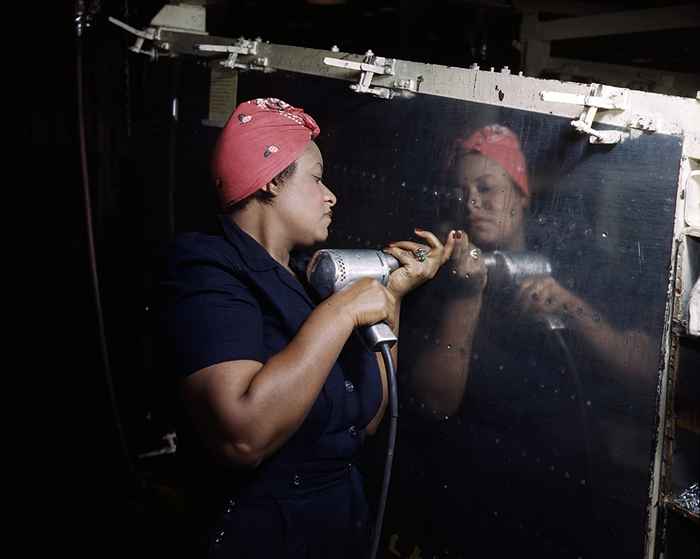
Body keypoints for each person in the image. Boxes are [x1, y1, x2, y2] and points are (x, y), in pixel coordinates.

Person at [157, 97, 456, 558]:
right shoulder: (207, 269)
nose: (331, 195)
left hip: (337, 523)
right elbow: (242, 436)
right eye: (316, 178)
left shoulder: (302, 277)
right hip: (261, 536)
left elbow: (369, 419)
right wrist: (340, 313)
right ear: (273, 180)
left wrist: (391, 296)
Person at [398, 124, 657, 558]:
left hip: (571, 494)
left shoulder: (576, 260)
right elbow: (433, 402)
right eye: (460, 191)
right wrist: (466, 296)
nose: (472, 202)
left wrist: (573, 309)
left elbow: (650, 376)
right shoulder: (436, 278)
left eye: (487, 187)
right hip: (474, 497)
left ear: (521, 195)